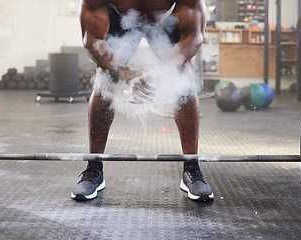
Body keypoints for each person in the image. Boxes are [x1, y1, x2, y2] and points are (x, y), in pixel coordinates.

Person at [71, 0, 214, 202]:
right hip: (119, 20)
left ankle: (192, 168)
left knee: (184, 75)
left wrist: (156, 74)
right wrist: (127, 74)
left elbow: (194, 37)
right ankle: (94, 168)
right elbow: (92, 39)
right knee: (106, 77)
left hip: (165, 20)